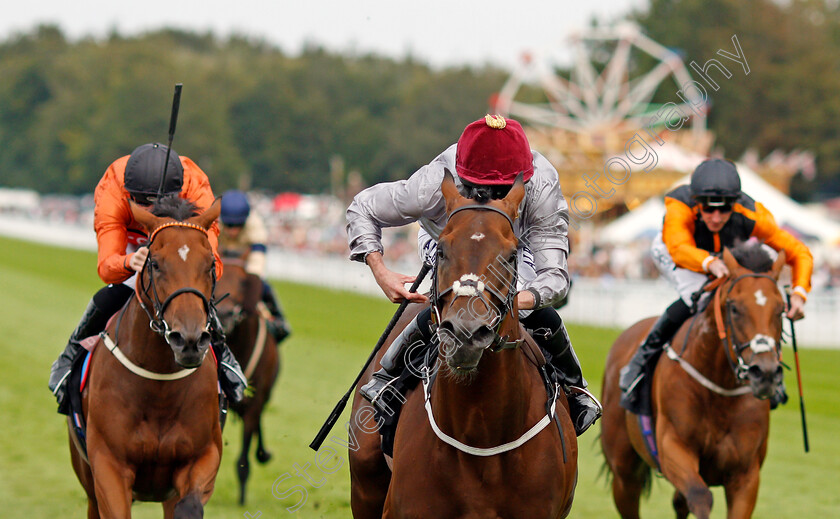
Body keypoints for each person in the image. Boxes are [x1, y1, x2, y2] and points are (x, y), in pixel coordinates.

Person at [346, 115, 602, 436]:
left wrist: (514, 301)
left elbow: (555, 277)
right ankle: (389, 378)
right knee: (453, 301)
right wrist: (380, 271)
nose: (491, 197)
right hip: (450, 239)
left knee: (531, 310)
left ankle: (575, 389)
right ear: (460, 171)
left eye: (501, 189)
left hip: (512, 248)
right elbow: (363, 207)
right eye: (482, 188)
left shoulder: (542, 184)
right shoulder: (435, 179)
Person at [48, 142, 247, 415]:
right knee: (115, 291)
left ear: (177, 193)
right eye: (143, 203)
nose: (151, 211)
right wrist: (130, 262)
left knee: (193, 289)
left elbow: (213, 263)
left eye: (159, 204)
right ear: (130, 194)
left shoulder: (195, 183)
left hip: (178, 240)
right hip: (135, 245)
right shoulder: (112, 190)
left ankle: (224, 356)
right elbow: (107, 266)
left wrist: (190, 271)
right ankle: (70, 355)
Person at [618, 158, 813, 413]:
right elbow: (679, 248)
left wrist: (799, 292)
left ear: (735, 203)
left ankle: (769, 369)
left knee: (750, 300)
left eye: (724, 210)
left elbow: (800, 252)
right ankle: (639, 361)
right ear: (697, 202)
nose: (716, 217)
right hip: (676, 251)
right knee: (697, 298)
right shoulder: (679, 206)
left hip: (721, 254)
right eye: (709, 210)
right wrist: (708, 262)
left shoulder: (754, 214)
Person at [218, 189, 291, 342]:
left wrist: (252, 291)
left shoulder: (256, 226)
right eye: (229, 225)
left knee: (262, 285)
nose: (232, 231)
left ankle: (278, 320)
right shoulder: (215, 222)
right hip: (221, 260)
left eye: (237, 225)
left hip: (246, 262)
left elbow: (256, 265)